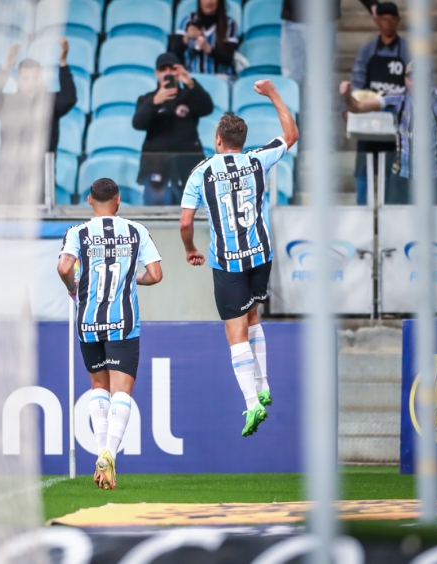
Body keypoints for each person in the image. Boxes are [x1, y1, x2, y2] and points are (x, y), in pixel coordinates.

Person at [179, 81, 298, 437]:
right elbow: (291, 135)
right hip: (260, 255)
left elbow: (185, 222)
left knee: (235, 333)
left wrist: (190, 248)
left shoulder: (201, 172)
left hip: (228, 262)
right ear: (242, 141)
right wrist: (273, 93)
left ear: (218, 140)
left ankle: (252, 402)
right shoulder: (256, 160)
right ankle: (263, 384)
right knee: (252, 315)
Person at [57, 178, 163, 489]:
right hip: (123, 322)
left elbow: (64, 268)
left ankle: (102, 456)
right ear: (118, 201)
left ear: (90, 200)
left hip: (88, 322)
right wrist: (133, 279)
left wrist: (73, 288)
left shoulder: (77, 232)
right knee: (121, 392)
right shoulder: (136, 231)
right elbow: (156, 275)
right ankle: (109, 453)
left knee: (98, 387)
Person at [340, 62, 437, 204]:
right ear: (405, 79)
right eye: (411, 78)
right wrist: (346, 96)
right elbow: (358, 107)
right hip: (402, 179)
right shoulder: (396, 98)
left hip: (434, 179)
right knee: (395, 218)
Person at [0, 37, 77, 205]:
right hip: (9, 180)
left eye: (35, 78)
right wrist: (6, 66)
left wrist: (63, 63)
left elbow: (69, 98)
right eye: (26, 78)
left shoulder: (49, 103)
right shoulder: (8, 103)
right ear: (18, 79)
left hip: (40, 181)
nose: (30, 83)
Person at [133, 53, 214, 205]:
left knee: (192, 211)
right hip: (156, 165)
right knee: (155, 211)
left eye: (173, 69)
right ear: (156, 74)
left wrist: (190, 83)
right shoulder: (147, 99)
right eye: (164, 69)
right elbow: (138, 123)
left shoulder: (190, 96)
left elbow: (207, 108)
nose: (168, 73)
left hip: (188, 165)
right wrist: (154, 102)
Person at [350, 2, 409, 205]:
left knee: (394, 175)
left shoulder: (407, 51)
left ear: (398, 21)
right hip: (368, 122)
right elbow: (357, 83)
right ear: (377, 21)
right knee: (363, 172)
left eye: (391, 19)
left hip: (396, 124)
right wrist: (349, 107)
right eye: (383, 19)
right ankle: (362, 215)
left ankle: (392, 215)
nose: (387, 23)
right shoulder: (367, 51)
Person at [282, 0, 379, 88]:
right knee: (290, 77)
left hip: (323, 20)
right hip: (293, 20)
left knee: (318, 79)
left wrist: (372, 4)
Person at [169, 0, 239, 78]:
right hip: (192, 76)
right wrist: (186, 38)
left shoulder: (229, 24)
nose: (208, 2)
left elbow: (229, 58)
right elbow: (173, 53)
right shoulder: (188, 21)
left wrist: (208, 49)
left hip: (220, 78)